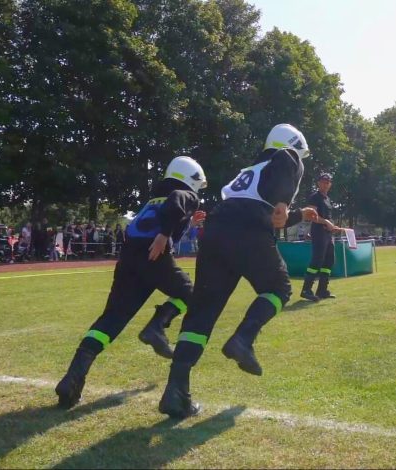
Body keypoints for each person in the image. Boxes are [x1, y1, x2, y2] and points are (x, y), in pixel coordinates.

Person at [157, 123, 318, 418]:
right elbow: (285, 165)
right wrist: (284, 201)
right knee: (278, 288)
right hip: (247, 227)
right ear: (293, 144)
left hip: (218, 227)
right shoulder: (285, 157)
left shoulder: (251, 171)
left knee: (202, 311)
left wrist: (293, 213)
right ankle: (243, 338)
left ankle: (175, 390)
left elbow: (263, 211)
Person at [55, 156, 207, 410]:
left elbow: (162, 218)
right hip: (153, 256)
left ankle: (72, 379)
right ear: (190, 178)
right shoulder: (184, 194)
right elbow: (175, 205)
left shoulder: (151, 201)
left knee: (111, 320)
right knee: (193, 294)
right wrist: (164, 235)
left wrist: (184, 225)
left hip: (128, 260)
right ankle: (157, 326)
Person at [301, 172, 343, 301]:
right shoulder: (315, 197)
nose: (326, 184)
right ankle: (306, 290)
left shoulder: (327, 199)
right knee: (317, 260)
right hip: (318, 232)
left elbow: (328, 217)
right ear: (318, 183)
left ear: (330, 184)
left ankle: (322, 290)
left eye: (328, 182)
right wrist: (326, 222)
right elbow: (311, 216)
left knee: (329, 261)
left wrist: (332, 226)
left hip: (328, 234)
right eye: (323, 181)